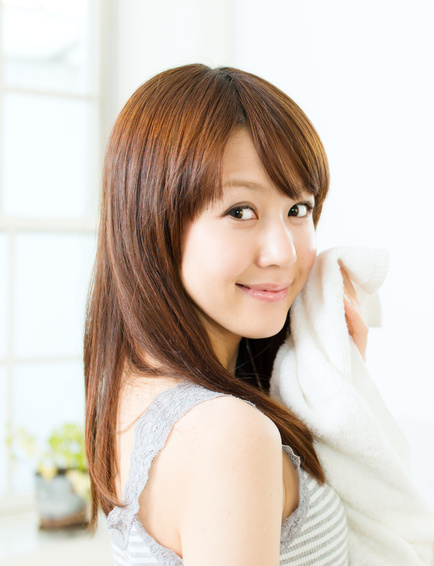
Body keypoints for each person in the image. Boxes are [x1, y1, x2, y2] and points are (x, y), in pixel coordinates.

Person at [84, 64, 365, 565]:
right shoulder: (227, 434)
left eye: (298, 209)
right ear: (154, 224)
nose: (283, 252)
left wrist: (334, 382)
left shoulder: (132, 386)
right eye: (240, 211)